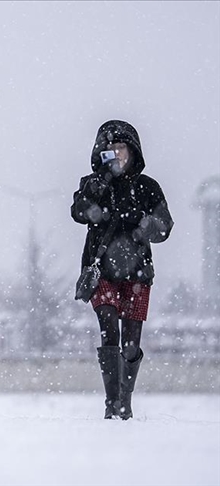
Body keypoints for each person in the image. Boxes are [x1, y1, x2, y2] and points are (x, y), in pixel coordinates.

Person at [71, 120, 173, 420]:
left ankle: (125, 399)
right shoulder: (92, 183)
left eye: (121, 147)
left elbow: (165, 226)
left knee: (131, 341)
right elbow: (78, 211)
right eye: (110, 148)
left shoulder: (148, 187)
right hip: (102, 268)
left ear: (132, 151)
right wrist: (98, 189)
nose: (116, 153)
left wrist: (146, 227)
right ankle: (112, 402)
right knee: (108, 324)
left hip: (138, 271)